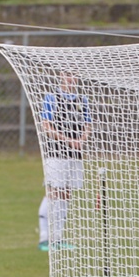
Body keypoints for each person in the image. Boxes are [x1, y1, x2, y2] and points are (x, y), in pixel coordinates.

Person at [38, 71, 91, 252]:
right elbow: (46, 126)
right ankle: (44, 238)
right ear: (61, 75)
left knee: (66, 193)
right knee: (54, 191)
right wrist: (67, 140)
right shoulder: (52, 97)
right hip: (56, 153)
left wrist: (81, 140)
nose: (71, 78)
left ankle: (58, 238)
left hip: (74, 155)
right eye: (68, 74)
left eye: (74, 74)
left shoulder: (82, 100)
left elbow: (88, 125)